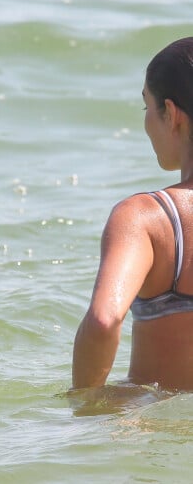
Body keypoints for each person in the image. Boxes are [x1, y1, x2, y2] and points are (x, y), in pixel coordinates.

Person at [73, 37, 193, 392]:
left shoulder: (146, 218)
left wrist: (84, 409)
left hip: (163, 437)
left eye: (147, 108)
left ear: (171, 115)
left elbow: (104, 319)